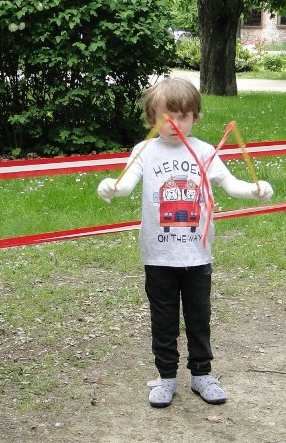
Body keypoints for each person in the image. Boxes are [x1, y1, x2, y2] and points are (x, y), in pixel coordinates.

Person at [97, 78, 273, 408]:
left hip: (197, 255)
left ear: (195, 118)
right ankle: (166, 377)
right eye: (168, 116)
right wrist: (111, 186)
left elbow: (231, 185)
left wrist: (255, 189)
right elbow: (126, 184)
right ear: (152, 117)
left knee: (198, 317)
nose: (176, 124)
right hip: (158, 256)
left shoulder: (205, 151)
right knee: (162, 321)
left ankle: (202, 374)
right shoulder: (145, 150)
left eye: (184, 116)